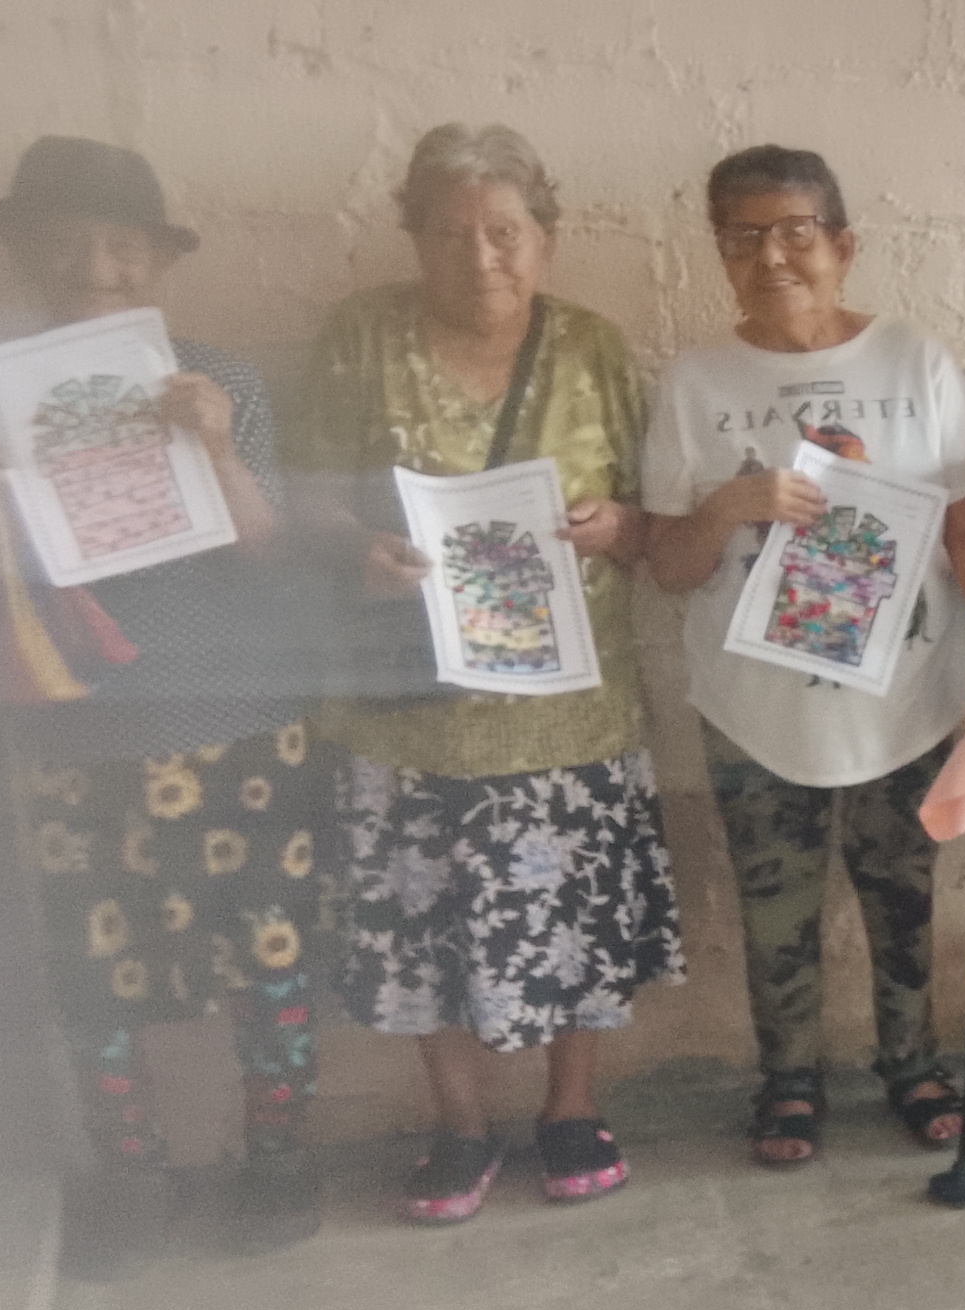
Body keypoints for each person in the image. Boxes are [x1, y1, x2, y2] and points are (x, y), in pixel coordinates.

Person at [289, 122, 678, 1225]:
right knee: (423, 923)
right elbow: (306, 491)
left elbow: (652, 513)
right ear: (414, 236)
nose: (481, 256)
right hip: (407, 703)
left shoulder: (593, 345)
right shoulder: (361, 336)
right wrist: (353, 551)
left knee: (575, 915)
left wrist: (618, 526)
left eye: (505, 231)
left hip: (568, 705)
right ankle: (460, 1125)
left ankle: (571, 1108)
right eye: (450, 233)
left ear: (544, 237)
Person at [0, 137, 332, 1271]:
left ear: (160, 260)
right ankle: (130, 1174)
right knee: (93, 975)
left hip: (237, 719)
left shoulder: (219, 380)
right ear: (25, 253)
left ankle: (276, 1159)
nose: (96, 268)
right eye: (68, 244)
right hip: (72, 722)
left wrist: (216, 451)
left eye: (122, 246)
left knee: (269, 959)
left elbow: (269, 550)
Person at [641, 145, 965, 1169]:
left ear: (843, 246)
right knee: (773, 906)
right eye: (743, 237)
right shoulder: (695, 382)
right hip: (754, 704)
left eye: (795, 232)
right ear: (719, 252)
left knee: (902, 892)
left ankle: (912, 1062)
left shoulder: (913, 360)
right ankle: (788, 1080)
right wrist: (725, 507)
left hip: (905, 692)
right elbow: (669, 566)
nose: (771, 257)